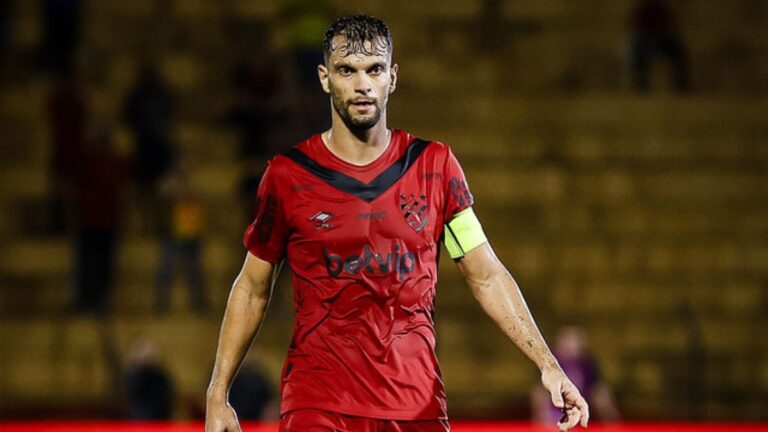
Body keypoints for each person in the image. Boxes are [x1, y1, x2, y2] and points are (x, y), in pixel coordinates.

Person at [206, 15, 589, 432]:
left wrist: (548, 364)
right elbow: (252, 286)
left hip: (415, 407)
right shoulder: (288, 176)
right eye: (347, 71)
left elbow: (486, 274)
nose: (362, 85)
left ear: (393, 77)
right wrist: (217, 392)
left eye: (374, 70)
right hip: (318, 406)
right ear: (324, 78)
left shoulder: (435, 167)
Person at [532, 326, 620, 425]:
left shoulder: (587, 364)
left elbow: (599, 392)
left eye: (574, 342)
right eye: (567, 342)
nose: (571, 346)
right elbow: (539, 393)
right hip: (555, 415)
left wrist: (610, 419)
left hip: (583, 412)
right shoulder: (549, 363)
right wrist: (542, 418)